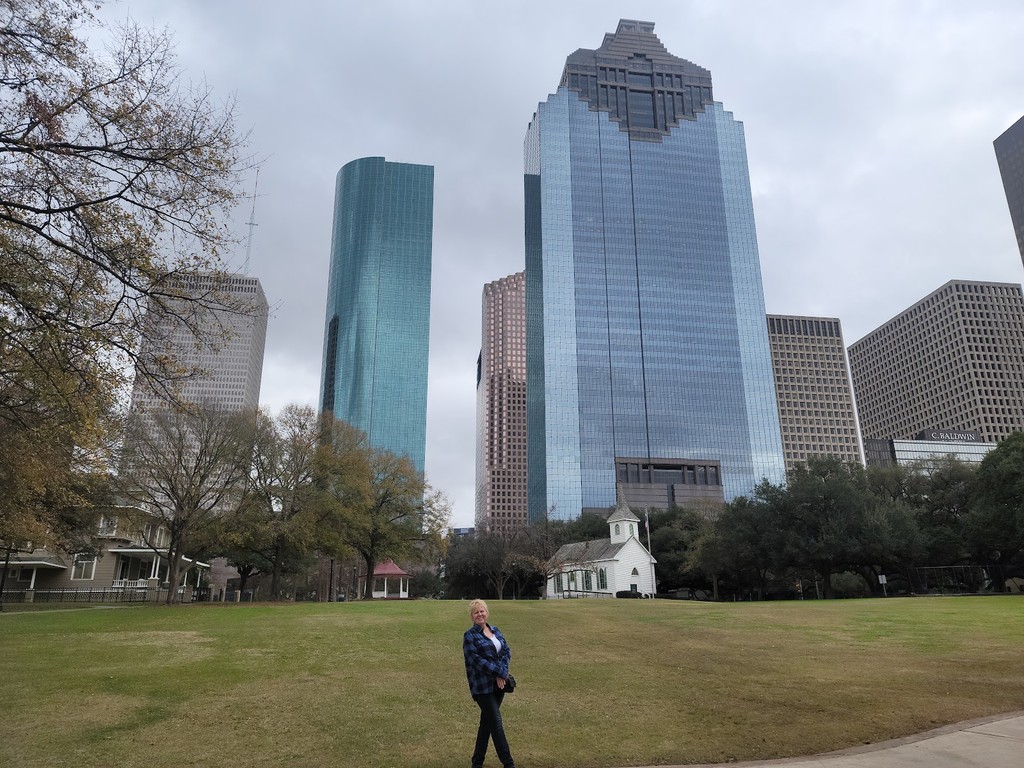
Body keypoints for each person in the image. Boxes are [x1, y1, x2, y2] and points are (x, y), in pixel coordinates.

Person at [462, 599, 516, 768]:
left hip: (499, 685)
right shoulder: (469, 636)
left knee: (487, 723)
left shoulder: (495, 630)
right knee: (496, 724)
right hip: (482, 687)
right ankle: (509, 764)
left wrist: (503, 672)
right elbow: (476, 661)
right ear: (472, 616)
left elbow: (506, 651)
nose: (480, 614)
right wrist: (499, 672)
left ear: (487, 612)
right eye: (476, 612)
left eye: (482, 611)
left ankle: (477, 763)